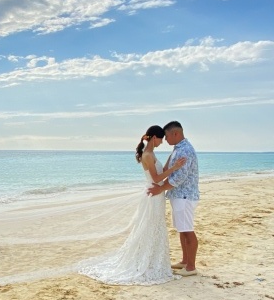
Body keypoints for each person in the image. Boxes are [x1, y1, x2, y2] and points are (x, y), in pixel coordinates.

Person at [77, 125, 186, 285]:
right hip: (153, 195)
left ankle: (151, 260)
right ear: (155, 137)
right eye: (161, 139)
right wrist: (175, 168)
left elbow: (160, 170)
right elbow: (156, 179)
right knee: (150, 226)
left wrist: (171, 160)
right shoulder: (147, 154)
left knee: (154, 226)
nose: (162, 142)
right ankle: (145, 262)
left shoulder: (150, 153)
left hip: (156, 194)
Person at [147, 121, 199, 276]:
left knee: (188, 230)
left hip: (184, 196)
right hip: (179, 196)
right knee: (182, 230)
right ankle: (185, 261)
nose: (166, 140)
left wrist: (160, 189)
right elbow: (169, 171)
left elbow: (179, 178)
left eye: (167, 136)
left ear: (175, 134)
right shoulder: (179, 149)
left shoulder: (185, 151)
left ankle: (191, 267)